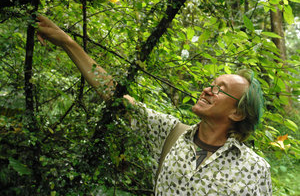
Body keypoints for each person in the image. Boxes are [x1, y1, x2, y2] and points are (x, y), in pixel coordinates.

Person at [37, 15, 272, 195]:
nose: (208, 89)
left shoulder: (255, 169)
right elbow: (114, 93)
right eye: (211, 83)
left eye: (221, 89)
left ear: (238, 112)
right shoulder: (171, 134)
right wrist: (67, 42)